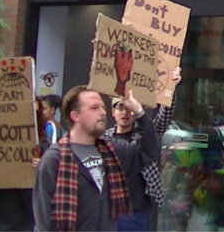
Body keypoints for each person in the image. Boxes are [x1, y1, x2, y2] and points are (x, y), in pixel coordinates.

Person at [32, 86, 158, 231]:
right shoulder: (53, 159)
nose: (103, 112)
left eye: (103, 107)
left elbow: (147, 152)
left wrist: (139, 112)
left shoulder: (111, 150)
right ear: (75, 116)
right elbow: (45, 223)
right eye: (94, 108)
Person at [103, 67, 181, 231]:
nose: (125, 113)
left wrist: (171, 87)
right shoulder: (104, 139)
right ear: (112, 112)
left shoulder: (146, 135)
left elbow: (165, 116)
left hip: (135, 211)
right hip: (108, 210)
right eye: (120, 108)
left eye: (129, 109)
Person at [0, 97, 51, 231]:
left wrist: (41, 167)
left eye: (33, 112)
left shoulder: (42, 145)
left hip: (27, 214)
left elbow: (50, 178)